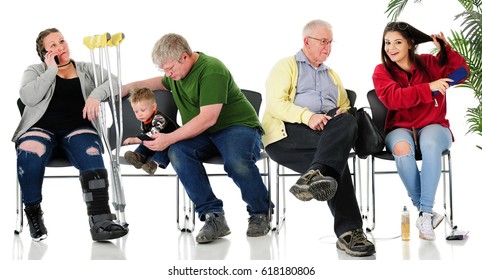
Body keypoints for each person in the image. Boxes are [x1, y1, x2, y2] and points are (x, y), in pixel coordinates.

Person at [122, 33, 272, 243]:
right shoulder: (176, 75)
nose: (168, 74)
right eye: (163, 69)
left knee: (236, 162)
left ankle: (260, 212)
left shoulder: (211, 70)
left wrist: (169, 137)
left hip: (237, 127)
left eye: (170, 68)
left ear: (184, 57)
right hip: (204, 134)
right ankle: (213, 216)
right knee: (178, 151)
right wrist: (127, 88)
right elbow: (156, 82)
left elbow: (208, 119)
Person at [262, 19, 375, 257]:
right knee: (336, 159)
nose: (328, 47)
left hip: (323, 138)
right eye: (323, 41)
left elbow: (344, 106)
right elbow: (275, 104)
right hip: (287, 134)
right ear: (306, 42)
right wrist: (307, 116)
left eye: (330, 42)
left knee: (344, 128)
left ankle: (315, 177)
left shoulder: (332, 75)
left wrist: (341, 112)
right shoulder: (286, 66)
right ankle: (350, 232)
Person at [12, 28, 128, 242]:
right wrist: (50, 70)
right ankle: (33, 212)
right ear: (44, 53)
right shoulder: (35, 70)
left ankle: (100, 220)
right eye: (53, 45)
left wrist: (95, 95)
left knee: (92, 152)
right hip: (40, 129)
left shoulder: (85, 68)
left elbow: (114, 83)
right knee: (28, 151)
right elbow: (28, 96)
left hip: (78, 129)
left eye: (62, 41)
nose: (60, 46)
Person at [372, 22, 469, 240]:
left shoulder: (429, 63)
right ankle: (426, 212)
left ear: (410, 44)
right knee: (401, 147)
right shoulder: (382, 72)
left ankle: (424, 213)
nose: (391, 47)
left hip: (435, 126)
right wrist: (429, 87)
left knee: (430, 144)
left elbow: (462, 73)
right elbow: (394, 99)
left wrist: (447, 50)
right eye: (387, 43)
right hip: (400, 128)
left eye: (397, 42)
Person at [122, 87, 179, 175]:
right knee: (144, 144)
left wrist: (136, 139)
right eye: (136, 111)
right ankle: (138, 156)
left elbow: (153, 134)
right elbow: (145, 136)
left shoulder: (159, 118)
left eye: (143, 110)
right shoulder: (144, 121)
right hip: (155, 142)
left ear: (153, 106)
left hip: (170, 142)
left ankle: (153, 164)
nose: (139, 114)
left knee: (164, 149)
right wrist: (142, 140)